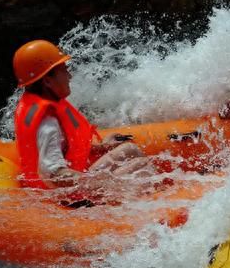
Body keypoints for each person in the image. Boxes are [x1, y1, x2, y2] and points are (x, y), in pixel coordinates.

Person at [13, 40, 149, 189]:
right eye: (64, 70)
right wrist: (102, 182)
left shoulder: (45, 109)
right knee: (142, 168)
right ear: (47, 81)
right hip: (66, 196)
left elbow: (64, 148)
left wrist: (102, 147)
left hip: (75, 184)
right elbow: (53, 174)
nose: (69, 76)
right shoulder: (48, 124)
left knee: (130, 150)